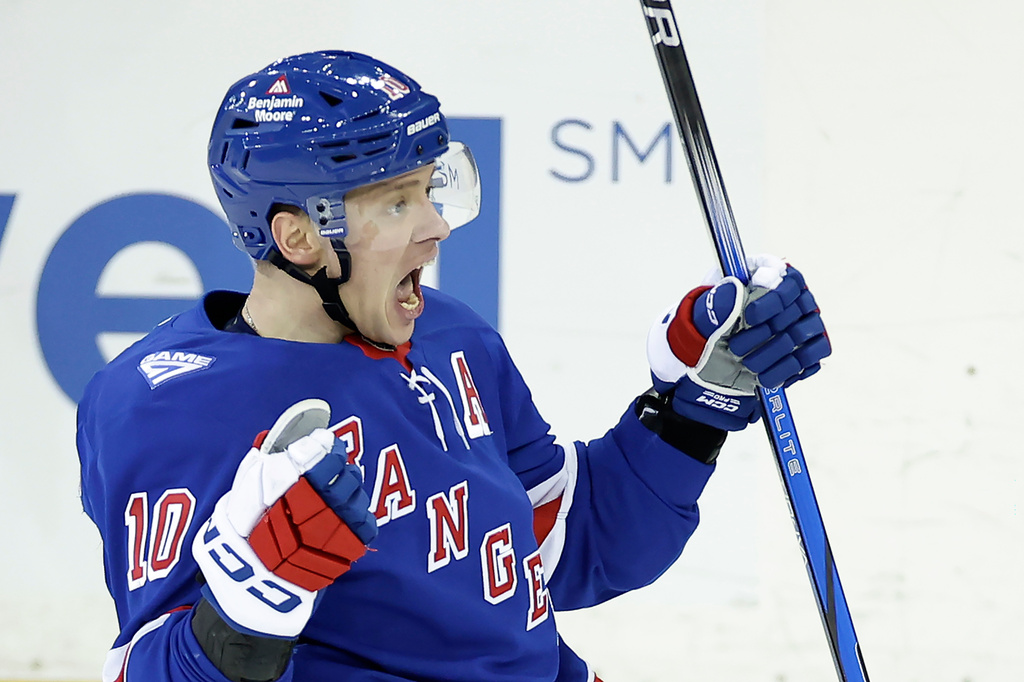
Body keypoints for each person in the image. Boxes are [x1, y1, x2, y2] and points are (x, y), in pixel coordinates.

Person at [77, 50, 831, 682]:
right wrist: (246, 608)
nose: (436, 227)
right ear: (300, 237)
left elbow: (575, 544)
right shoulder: (164, 404)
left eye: (432, 190)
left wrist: (696, 404)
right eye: (397, 203)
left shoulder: (451, 337)